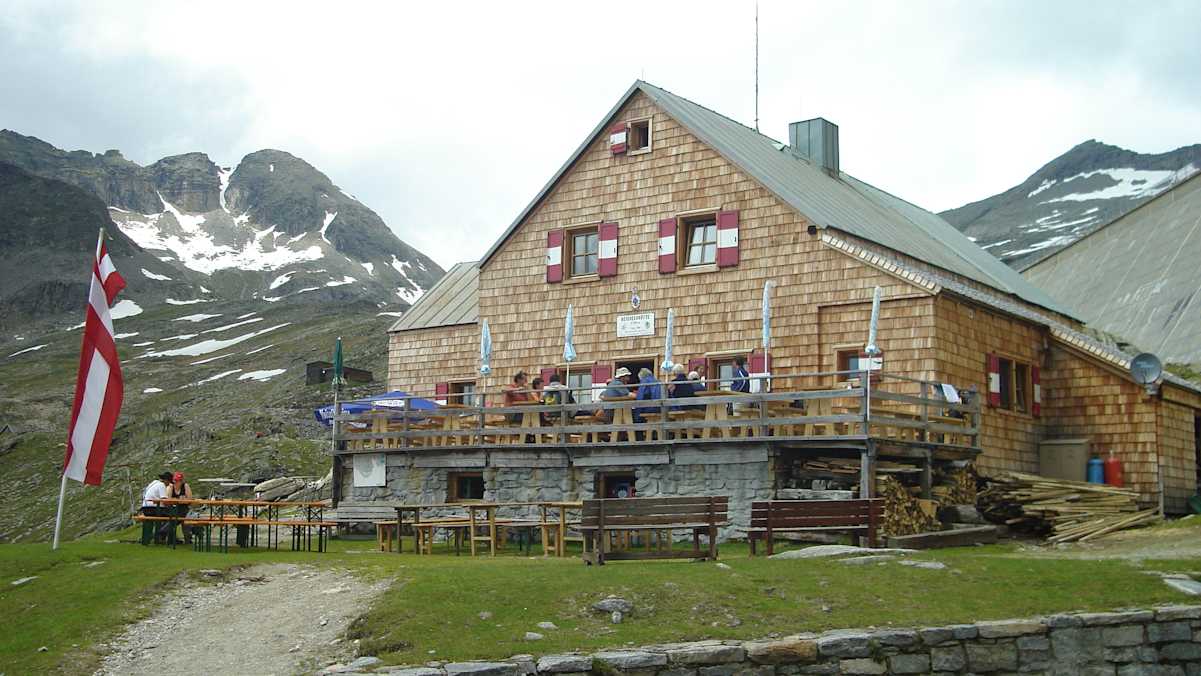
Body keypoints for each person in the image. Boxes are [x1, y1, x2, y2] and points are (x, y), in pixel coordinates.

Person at [140, 472, 172, 545]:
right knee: (174, 516)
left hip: (145, 508)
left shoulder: (154, 483)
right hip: (153, 508)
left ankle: (159, 535)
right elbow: (164, 501)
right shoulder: (161, 485)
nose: (169, 484)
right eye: (169, 482)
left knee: (167, 515)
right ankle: (161, 534)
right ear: (166, 480)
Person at [167, 471, 193, 544]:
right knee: (169, 519)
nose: (176, 482)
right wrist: (180, 500)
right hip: (174, 510)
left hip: (184, 510)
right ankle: (170, 539)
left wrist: (178, 500)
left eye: (178, 480)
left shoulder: (185, 486)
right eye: (175, 480)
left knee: (185, 521)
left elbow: (190, 499)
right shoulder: (171, 487)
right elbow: (168, 500)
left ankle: (188, 540)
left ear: (181, 481)